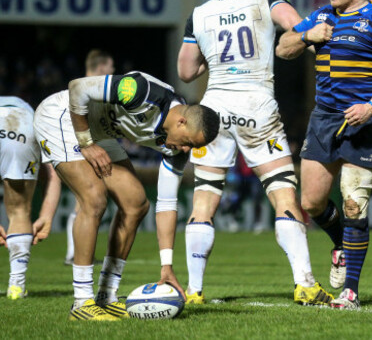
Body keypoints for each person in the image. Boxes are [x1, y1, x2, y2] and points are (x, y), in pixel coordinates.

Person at [177, 0, 333, 306]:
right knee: (283, 195)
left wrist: (209, 56)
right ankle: (304, 283)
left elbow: (186, 71)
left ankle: (195, 291)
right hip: (257, 104)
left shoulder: (199, 14)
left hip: (213, 107)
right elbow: (297, 28)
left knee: (204, 198)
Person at [277, 0, 372, 309]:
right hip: (323, 120)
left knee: (353, 203)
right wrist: (307, 35)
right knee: (311, 202)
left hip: (362, 121)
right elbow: (283, 47)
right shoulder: (322, 17)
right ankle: (340, 245)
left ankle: (350, 290)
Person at [33, 71, 219, 320]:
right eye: (187, 142)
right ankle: (81, 302)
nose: (186, 150)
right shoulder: (142, 91)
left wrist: (167, 266)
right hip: (63, 119)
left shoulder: (176, 149)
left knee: (136, 204)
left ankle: (106, 296)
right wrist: (86, 143)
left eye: (192, 148)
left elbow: (166, 203)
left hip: (101, 133)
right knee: (94, 199)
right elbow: (77, 87)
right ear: (182, 122)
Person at [1, 96, 61, 299]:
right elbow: (53, 173)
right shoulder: (36, 117)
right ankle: (16, 287)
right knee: (19, 211)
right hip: (19, 124)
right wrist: (46, 215)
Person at [64, 50, 115, 265]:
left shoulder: (79, 88)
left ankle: (74, 253)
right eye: (111, 67)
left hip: (74, 145)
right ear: (101, 68)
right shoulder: (87, 91)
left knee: (84, 201)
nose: (113, 71)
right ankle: (74, 254)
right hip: (78, 146)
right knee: (85, 201)